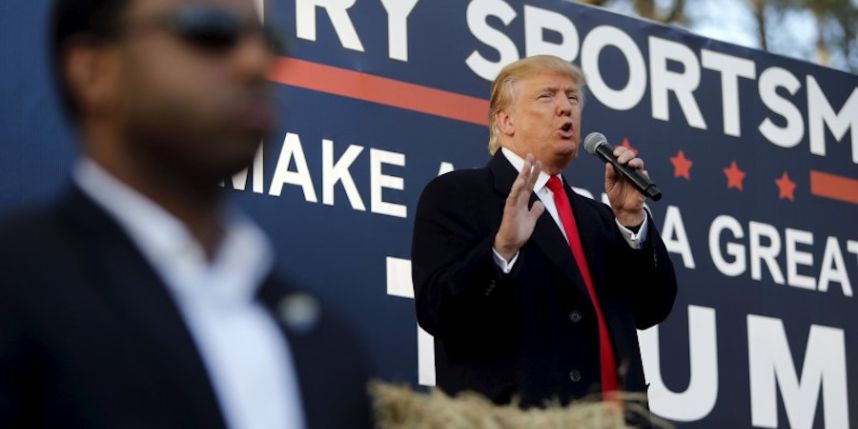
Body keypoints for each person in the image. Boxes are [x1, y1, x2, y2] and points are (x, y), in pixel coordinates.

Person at [0, 0, 371, 427]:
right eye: (208, 31)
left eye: (268, 41)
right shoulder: (17, 286)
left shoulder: (330, 349)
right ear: (94, 72)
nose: (254, 63)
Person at [411, 55, 677, 413]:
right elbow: (437, 311)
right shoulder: (458, 195)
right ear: (505, 121)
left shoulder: (600, 217)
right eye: (547, 96)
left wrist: (631, 223)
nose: (566, 108)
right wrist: (501, 251)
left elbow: (651, 308)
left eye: (572, 97)